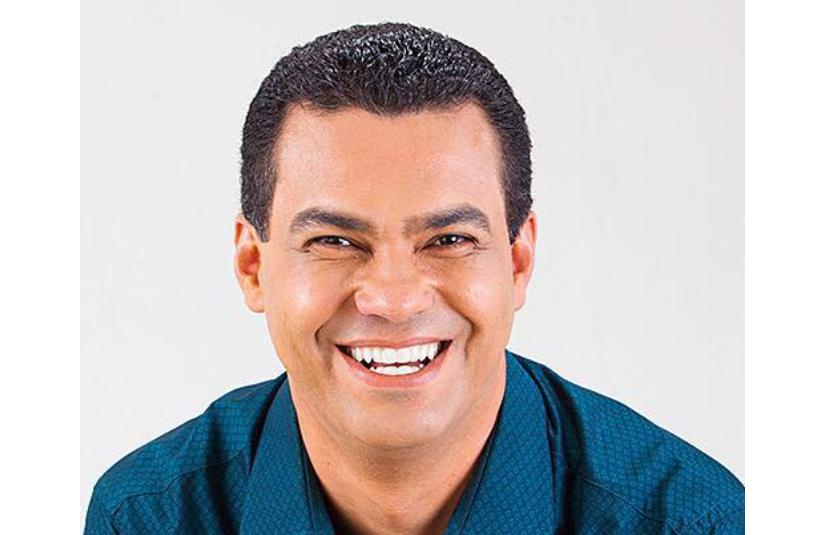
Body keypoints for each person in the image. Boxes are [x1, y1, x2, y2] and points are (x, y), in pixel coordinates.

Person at [84, 22, 744, 534]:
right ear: (253, 266)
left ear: (518, 261)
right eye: (334, 241)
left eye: (449, 240)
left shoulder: (691, 520)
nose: (394, 300)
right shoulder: (148, 518)